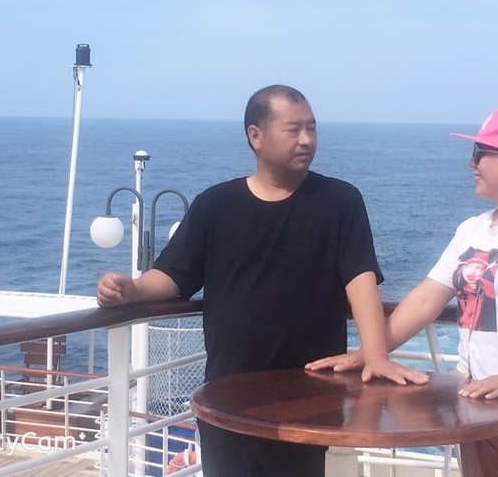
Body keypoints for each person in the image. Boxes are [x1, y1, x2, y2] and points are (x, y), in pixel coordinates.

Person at [96, 84, 427, 477]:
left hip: (311, 398)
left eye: (312, 128)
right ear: (256, 135)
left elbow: (360, 279)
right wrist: (131, 290)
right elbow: (172, 276)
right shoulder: (215, 205)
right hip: (228, 397)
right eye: (294, 129)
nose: (307, 139)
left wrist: (376, 354)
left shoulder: (340, 201)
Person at [307, 108, 498, 477]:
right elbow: (425, 300)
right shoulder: (472, 230)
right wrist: (370, 354)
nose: (471, 163)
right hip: (479, 410)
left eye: (481, 153)